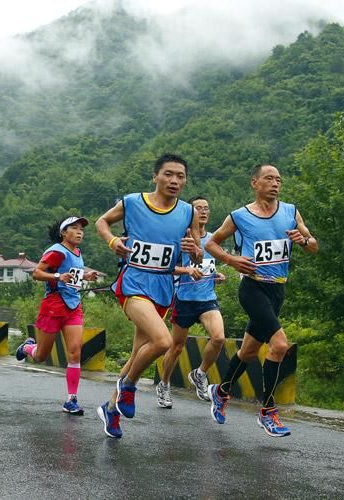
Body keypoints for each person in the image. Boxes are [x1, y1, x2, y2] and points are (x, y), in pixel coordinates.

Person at [204, 164, 317, 437]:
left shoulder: (290, 211)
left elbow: (313, 246)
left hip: (278, 290)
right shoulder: (240, 216)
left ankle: (221, 391)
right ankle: (268, 412)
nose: (275, 183)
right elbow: (211, 244)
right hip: (253, 289)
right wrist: (232, 260)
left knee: (249, 352)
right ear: (255, 183)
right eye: (269, 178)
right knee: (279, 345)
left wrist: (304, 240)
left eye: (279, 179)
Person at [95, 153, 202, 439]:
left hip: (164, 289)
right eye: (168, 174)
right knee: (163, 341)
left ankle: (111, 409)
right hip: (133, 284)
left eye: (180, 176)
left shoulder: (187, 212)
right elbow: (102, 222)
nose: (174, 180)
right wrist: (113, 240)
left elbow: (197, 250)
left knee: (136, 356)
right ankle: (129, 386)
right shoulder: (133, 202)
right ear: (155, 176)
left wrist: (194, 249)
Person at [15, 216, 99, 415]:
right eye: (74, 228)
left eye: (81, 229)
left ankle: (71, 399)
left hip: (73, 306)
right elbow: (37, 273)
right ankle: (28, 347)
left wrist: (85, 276)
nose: (80, 232)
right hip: (53, 305)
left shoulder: (77, 253)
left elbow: (72, 275)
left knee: (75, 352)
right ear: (63, 232)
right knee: (41, 356)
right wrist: (56, 276)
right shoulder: (56, 251)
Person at [157, 196, 226, 408]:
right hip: (184, 299)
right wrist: (187, 270)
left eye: (206, 208)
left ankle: (200, 373)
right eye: (198, 209)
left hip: (207, 299)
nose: (203, 212)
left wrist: (216, 275)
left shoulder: (213, 239)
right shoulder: (181, 238)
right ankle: (164, 384)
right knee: (176, 347)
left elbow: (208, 264)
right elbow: (165, 267)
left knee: (218, 338)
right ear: (190, 214)